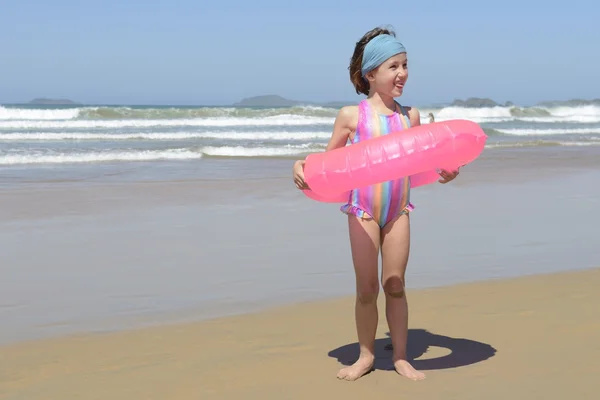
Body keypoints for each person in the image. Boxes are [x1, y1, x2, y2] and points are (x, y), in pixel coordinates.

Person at [292, 26, 459, 382]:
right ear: (371, 74)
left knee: (395, 283)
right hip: (363, 209)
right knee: (366, 288)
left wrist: (444, 170)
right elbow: (327, 167)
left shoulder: (409, 116)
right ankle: (366, 355)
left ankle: (400, 357)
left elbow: (421, 162)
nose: (403, 74)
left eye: (405, 65)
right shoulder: (352, 117)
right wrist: (300, 166)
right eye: (394, 66)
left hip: (398, 208)